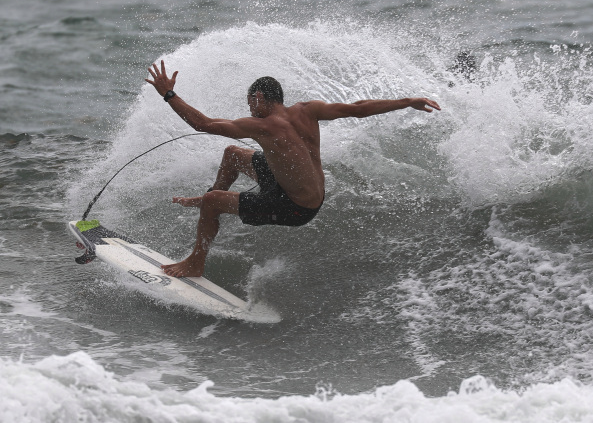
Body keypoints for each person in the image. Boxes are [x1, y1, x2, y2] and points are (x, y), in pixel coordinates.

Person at [145, 60, 441, 277]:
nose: (249, 109)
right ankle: (211, 201)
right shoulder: (308, 110)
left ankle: (196, 260)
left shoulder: (262, 127)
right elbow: (358, 108)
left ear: (259, 98)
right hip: (301, 187)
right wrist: (407, 101)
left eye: (250, 103)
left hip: (296, 206)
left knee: (212, 202)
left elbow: (203, 124)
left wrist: (168, 94)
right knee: (233, 153)